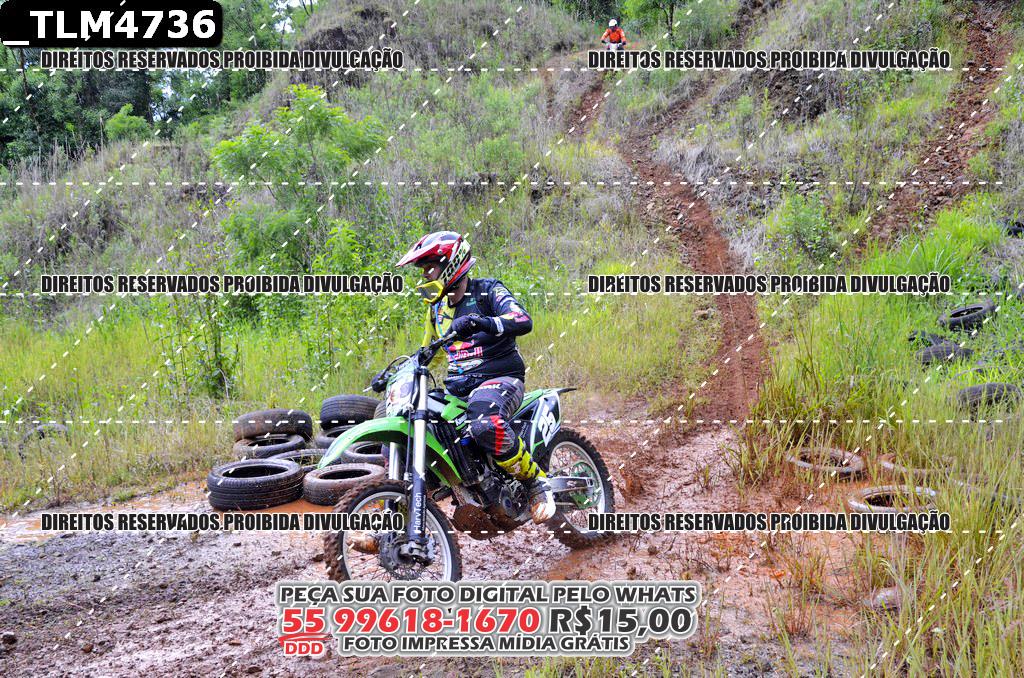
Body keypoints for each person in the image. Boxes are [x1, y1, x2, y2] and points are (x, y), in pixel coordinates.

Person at [396, 231, 556, 523]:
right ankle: (397, 519)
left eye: (429, 268)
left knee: (484, 422)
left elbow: (522, 320)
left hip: (501, 377)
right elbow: (429, 352)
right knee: (405, 425)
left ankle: (535, 483)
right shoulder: (436, 310)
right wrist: (398, 372)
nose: (425, 276)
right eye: (422, 270)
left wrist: (483, 322)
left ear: (451, 264)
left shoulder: (487, 290)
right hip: (459, 389)